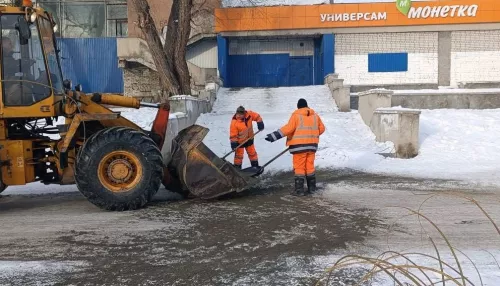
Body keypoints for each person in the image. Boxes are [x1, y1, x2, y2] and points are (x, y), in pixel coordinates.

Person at [265, 98, 325, 196]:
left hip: (299, 147)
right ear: (306, 105)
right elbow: (322, 129)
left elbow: (288, 129)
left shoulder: (296, 115)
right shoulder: (315, 116)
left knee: (299, 167)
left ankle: (299, 191)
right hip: (312, 146)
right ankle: (312, 189)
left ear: (298, 106)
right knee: (309, 167)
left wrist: (273, 136)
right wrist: (311, 135)